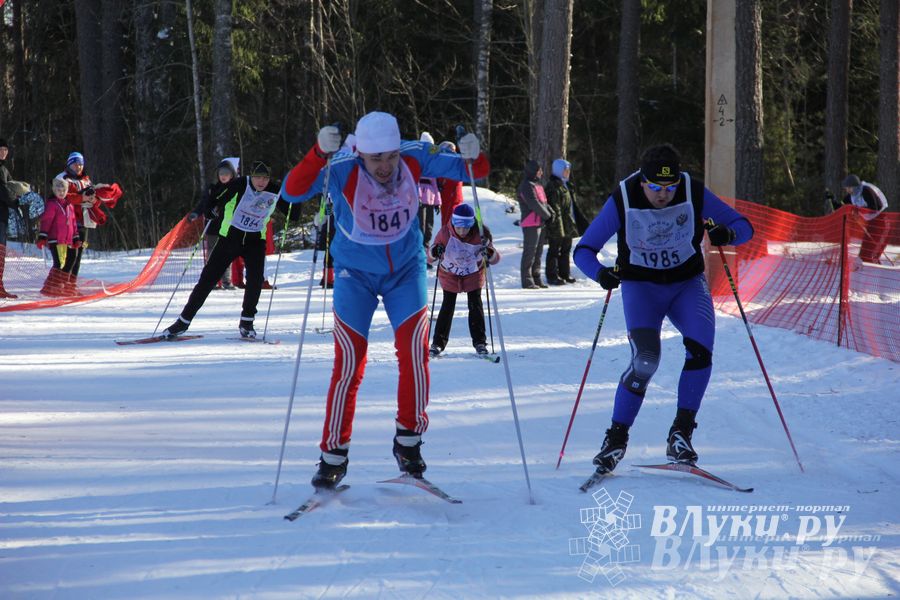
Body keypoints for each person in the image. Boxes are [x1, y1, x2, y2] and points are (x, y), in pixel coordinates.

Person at [280, 111, 488, 489]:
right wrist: (317, 154)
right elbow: (292, 192)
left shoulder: (414, 155)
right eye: (376, 158)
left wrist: (474, 153)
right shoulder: (343, 167)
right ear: (360, 153)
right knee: (349, 362)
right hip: (354, 275)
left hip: (405, 272)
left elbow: (475, 171)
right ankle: (333, 455)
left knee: (414, 353)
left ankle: (408, 441)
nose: (385, 166)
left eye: (391, 156)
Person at [573, 143, 754, 475]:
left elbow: (745, 227)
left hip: (686, 285)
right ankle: (616, 439)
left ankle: (681, 434)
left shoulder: (691, 190)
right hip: (641, 287)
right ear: (643, 181)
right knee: (645, 360)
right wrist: (600, 274)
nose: (663, 195)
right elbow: (583, 250)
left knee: (701, 351)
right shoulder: (624, 196)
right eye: (655, 187)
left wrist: (727, 233)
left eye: (670, 188)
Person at [163, 161, 282, 339]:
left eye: (265, 178)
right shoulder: (239, 184)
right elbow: (214, 198)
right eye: (258, 177)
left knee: (255, 281)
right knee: (207, 279)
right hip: (230, 238)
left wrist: (294, 204)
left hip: (255, 241)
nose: (261, 182)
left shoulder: (273, 190)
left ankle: (247, 322)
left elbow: (291, 206)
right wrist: (209, 210)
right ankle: (183, 322)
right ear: (251, 176)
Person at [428, 203, 500, 357]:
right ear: (453, 223)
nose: (462, 231)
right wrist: (435, 251)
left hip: (473, 274)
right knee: (447, 306)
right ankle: (437, 343)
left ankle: (480, 342)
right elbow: (430, 257)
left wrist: (489, 253)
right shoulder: (445, 233)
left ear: (471, 225)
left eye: (466, 228)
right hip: (450, 274)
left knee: (475, 306)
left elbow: (496, 258)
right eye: (459, 227)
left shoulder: (480, 234)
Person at [57, 151, 121, 293]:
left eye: (80, 164)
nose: (78, 167)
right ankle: (60, 285)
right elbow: (62, 197)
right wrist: (82, 198)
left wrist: (94, 199)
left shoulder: (86, 180)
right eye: (75, 164)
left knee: (78, 255)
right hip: (67, 221)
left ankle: (71, 286)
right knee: (69, 256)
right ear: (69, 164)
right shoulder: (62, 178)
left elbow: (94, 201)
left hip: (83, 221)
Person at [190, 158, 240, 289]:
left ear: (232, 175)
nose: (223, 176)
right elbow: (204, 203)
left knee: (225, 254)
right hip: (212, 226)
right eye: (221, 173)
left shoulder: (235, 189)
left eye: (226, 173)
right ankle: (211, 281)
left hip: (227, 227)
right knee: (212, 255)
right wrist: (196, 213)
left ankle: (226, 281)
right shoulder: (212, 189)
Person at [36, 178, 81, 296]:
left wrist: (76, 237)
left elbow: (73, 222)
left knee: (71, 259)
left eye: (63, 190)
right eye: (58, 190)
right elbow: (46, 221)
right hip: (56, 239)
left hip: (68, 239)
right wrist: (42, 236)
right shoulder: (52, 204)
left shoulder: (69, 204)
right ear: (54, 190)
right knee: (59, 263)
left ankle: (62, 284)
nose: (61, 192)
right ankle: (54, 286)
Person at [517, 159, 554, 289]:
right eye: (539, 170)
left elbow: (544, 202)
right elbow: (533, 203)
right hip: (531, 223)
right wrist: (547, 215)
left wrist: (551, 212)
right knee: (530, 252)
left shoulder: (537, 185)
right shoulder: (526, 186)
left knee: (538, 252)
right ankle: (527, 281)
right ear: (533, 171)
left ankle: (536, 278)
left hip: (540, 222)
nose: (541, 173)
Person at [544, 158, 581, 285]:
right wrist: (558, 228)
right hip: (557, 224)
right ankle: (552, 276)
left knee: (566, 249)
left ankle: (564, 273)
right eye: (565, 170)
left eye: (568, 170)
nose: (568, 172)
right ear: (559, 170)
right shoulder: (553, 186)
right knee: (554, 250)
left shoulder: (567, 185)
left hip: (567, 224)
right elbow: (556, 209)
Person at [839, 174, 890, 264]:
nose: (847, 190)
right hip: (870, 223)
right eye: (846, 188)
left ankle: (876, 269)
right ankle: (867, 266)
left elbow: (875, 207)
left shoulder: (866, 191)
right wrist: (832, 200)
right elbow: (842, 206)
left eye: (848, 187)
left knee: (872, 253)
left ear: (854, 187)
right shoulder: (851, 196)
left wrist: (858, 210)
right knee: (864, 254)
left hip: (881, 221)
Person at [417, 132, 441, 264]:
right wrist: (418, 197)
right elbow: (414, 181)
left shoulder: (432, 164)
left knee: (429, 227)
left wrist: (438, 202)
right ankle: (419, 256)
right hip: (420, 200)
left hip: (430, 199)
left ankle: (426, 256)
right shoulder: (417, 161)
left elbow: (435, 185)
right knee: (420, 227)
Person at [0, 137, 19, 298]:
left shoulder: (4, 168)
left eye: (5, 149)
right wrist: (16, 201)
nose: (3, 152)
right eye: (0, 149)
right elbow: (4, 190)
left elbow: (11, 186)